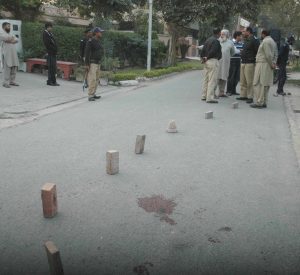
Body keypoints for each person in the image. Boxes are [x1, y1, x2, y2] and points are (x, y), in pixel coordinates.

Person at [251, 30, 278, 109]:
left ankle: (259, 102)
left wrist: (271, 64)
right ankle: (264, 101)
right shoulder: (273, 41)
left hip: (263, 64)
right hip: (268, 64)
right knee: (266, 84)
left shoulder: (265, 41)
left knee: (259, 83)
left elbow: (268, 55)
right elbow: (276, 54)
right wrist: (274, 63)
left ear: (263, 34)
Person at [236, 27, 260, 104]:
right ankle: (243, 95)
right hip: (243, 62)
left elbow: (258, 51)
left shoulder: (254, 40)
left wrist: (254, 60)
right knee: (242, 81)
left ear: (249, 32)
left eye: (244, 31)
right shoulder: (246, 40)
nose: (242, 33)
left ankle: (250, 96)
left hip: (250, 63)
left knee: (249, 81)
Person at [201, 27, 222, 104]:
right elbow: (213, 51)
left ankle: (204, 95)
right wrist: (208, 57)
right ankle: (209, 97)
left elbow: (203, 50)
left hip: (206, 61)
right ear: (219, 33)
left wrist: (203, 58)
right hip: (213, 60)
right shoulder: (216, 41)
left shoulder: (208, 40)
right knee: (212, 80)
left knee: (206, 79)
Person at [84, 27, 104, 101]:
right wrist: (86, 64)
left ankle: (93, 93)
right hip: (92, 63)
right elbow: (87, 53)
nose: (101, 33)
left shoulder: (98, 41)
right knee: (92, 79)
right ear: (96, 33)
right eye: (100, 32)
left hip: (98, 63)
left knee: (96, 79)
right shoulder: (90, 41)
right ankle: (90, 95)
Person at [217, 29, 235, 98]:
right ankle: (214, 92)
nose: (222, 35)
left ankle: (221, 92)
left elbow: (233, 52)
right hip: (218, 62)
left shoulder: (230, 43)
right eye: (221, 34)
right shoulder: (217, 41)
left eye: (223, 34)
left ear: (227, 35)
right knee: (217, 77)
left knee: (224, 77)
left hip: (226, 62)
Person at [0, 22, 19, 88]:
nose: (9, 27)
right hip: (6, 53)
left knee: (14, 66)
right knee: (7, 67)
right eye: (8, 26)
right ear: (4, 27)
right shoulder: (1, 33)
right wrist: (12, 39)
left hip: (13, 53)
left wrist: (12, 39)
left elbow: (17, 39)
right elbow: (5, 38)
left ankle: (12, 81)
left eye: (9, 26)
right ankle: (5, 82)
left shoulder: (10, 33)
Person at [226, 31, 243, 96]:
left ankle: (233, 90)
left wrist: (241, 51)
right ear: (237, 36)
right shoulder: (231, 42)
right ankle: (228, 91)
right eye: (240, 36)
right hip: (232, 60)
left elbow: (242, 51)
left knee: (237, 77)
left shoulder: (241, 43)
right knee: (231, 76)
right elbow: (233, 51)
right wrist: (240, 51)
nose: (241, 37)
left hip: (239, 60)